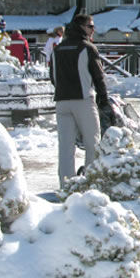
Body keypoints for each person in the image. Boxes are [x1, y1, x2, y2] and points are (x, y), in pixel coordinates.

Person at [51, 14, 110, 186]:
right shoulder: (87, 48)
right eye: (90, 26)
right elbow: (99, 77)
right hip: (83, 99)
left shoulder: (58, 49)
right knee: (93, 143)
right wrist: (103, 99)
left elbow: (53, 77)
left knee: (66, 147)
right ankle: (91, 182)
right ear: (81, 27)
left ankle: (66, 184)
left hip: (61, 101)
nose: (93, 30)